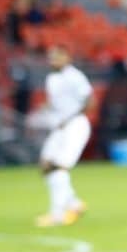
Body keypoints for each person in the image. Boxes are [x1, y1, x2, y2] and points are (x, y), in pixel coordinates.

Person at [35, 46, 91, 227]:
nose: (53, 60)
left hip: (75, 126)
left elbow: (90, 101)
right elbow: (56, 102)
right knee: (45, 165)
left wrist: (70, 118)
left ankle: (57, 215)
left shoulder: (75, 76)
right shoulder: (51, 78)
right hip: (59, 128)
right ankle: (74, 204)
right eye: (51, 57)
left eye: (58, 57)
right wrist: (45, 109)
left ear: (68, 57)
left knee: (59, 167)